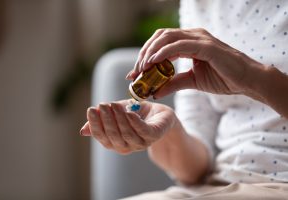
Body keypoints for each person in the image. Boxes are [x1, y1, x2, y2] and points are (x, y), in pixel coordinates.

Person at [80, 0, 288, 199]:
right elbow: (193, 171)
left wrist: (251, 77)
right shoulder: (198, 4)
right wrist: (167, 128)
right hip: (218, 185)